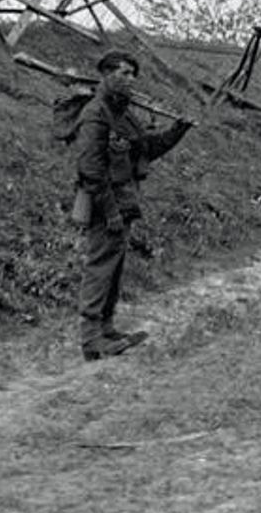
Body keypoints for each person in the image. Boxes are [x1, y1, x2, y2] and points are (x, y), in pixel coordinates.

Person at [73, 50, 194, 361]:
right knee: (100, 267)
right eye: (124, 73)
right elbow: (90, 169)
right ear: (106, 74)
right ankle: (91, 338)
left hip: (124, 201)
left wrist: (178, 130)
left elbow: (146, 149)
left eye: (133, 74)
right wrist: (110, 211)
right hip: (104, 205)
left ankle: (107, 329)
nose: (131, 80)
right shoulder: (95, 114)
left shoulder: (123, 114)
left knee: (113, 268)